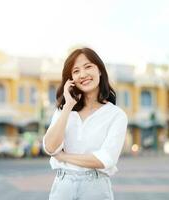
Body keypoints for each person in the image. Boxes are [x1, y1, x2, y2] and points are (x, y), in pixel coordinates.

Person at [43, 47, 128, 200]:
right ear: (70, 79)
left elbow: (106, 159)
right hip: (63, 187)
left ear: (100, 71)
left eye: (88, 67)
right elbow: (50, 147)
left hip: (95, 187)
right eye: (76, 71)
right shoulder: (63, 111)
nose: (83, 74)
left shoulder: (116, 115)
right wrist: (68, 105)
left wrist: (63, 157)